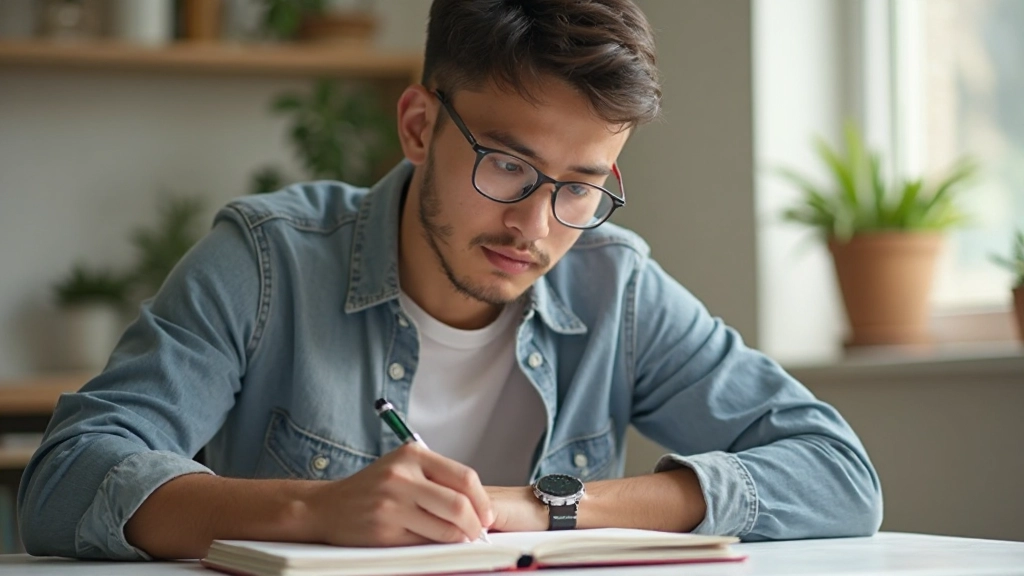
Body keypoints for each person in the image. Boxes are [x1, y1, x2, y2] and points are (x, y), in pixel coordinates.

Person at [18, 0, 882, 561]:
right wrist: (312, 514)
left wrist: (549, 511)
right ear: (420, 125)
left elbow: (839, 476)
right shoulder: (267, 261)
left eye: (581, 186)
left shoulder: (614, 286)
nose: (535, 227)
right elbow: (67, 479)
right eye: (507, 166)